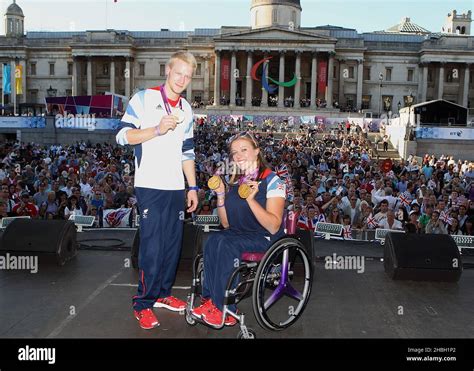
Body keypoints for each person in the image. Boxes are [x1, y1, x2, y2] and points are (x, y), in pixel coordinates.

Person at [116, 51, 198, 330]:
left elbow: (188, 151)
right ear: (167, 70)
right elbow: (122, 136)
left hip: (176, 186)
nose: (182, 79)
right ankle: (143, 303)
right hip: (150, 183)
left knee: (172, 245)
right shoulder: (144, 98)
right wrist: (156, 129)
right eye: (179, 73)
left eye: (187, 76)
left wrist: (193, 187)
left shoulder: (187, 109)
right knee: (152, 246)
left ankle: (163, 293)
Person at [191, 132, 286, 328]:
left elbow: (274, 225)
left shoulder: (274, 181)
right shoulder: (237, 182)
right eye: (234, 152)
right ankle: (209, 300)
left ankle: (224, 308)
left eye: (244, 150)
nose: (239, 156)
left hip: (265, 238)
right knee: (212, 240)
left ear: (257, 152)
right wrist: (220, 195)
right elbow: (226, 224)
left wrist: (251, 200)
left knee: (226, 244)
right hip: (239, 234)